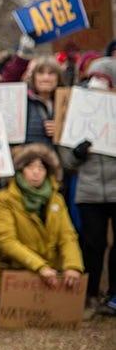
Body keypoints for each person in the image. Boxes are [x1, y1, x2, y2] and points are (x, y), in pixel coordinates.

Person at [58, 56, 116, 317]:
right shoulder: (77, 112)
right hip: (89, 190)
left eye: (104, 80)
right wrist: (78, 154)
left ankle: (113, 294)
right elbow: (67, 159)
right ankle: (89, 295)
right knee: (92, 243)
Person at [0, 144, 83, 307]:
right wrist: (39, 267)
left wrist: (73, 266)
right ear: (20, 170)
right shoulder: (3, 199)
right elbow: (6, 241)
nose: (36, 172)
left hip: (50, 278)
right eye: (30, 166)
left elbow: (67, 236)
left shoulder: (56, 199)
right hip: (16, 276)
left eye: (41, 167)